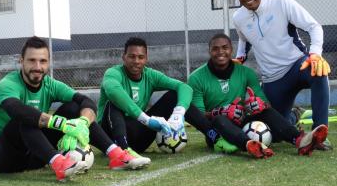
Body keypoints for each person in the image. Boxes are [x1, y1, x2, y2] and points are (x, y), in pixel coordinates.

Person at [0, 36, 148, 182]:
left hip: (36, 156)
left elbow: (85, 101)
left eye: (42, 61)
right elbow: (16, 109)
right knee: (25, 119)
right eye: (31, 60)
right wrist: (62, 124)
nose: (37, 66)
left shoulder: (50, 84)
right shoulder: (8, 84)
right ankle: (60, 164)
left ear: (48, 62)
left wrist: (82, 122)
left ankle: (116, 155)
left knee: (74, 108)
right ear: (21, 61)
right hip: (3, 157)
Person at [232, 0, 332, 150]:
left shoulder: (282, 2)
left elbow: (313, 26)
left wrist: (315, 53)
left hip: (297, 65)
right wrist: (240, 57)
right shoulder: (238, 18)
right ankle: (293, 116)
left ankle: (319, 134)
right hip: (272, 79)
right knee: (274, 134)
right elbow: (244, 39)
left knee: (318, 71)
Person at [97, 37, 238, 161]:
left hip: (137, 136)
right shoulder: (113, 73)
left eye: (140, 57)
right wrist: (146, 119)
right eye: (132, 57)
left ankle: (215, 138)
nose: (136, 61)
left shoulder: (150, 75)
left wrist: (179, 113)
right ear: (124, 57)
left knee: (173, 96)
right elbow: (114, 92)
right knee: (113, 103)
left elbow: (184, 87)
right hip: (109, 137)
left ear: (146, 58)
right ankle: (123, 153)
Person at [188, 34, 328, 158]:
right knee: (219, 119)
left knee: (265, 111)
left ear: (231, 50)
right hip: (218, 131)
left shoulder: (246, 73)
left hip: (244, 120)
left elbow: (266, 104)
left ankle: (300, 140)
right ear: (209, 51)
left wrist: (254, 104)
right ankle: (249, 145)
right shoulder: (196, 78)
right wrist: (220, 111)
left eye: (225, 47)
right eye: (215, 49)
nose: (220, 52)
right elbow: (199, 118)